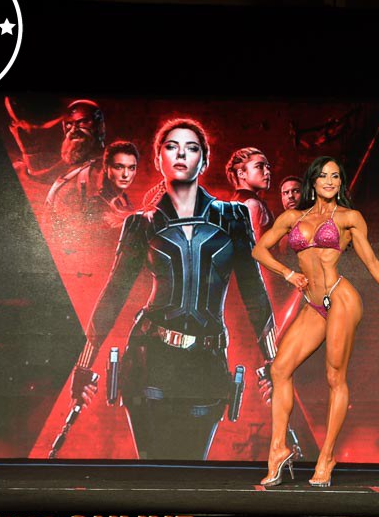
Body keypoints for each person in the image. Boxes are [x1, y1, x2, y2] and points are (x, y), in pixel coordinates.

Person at [70, 117, 278, 460]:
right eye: (172, 147)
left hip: (207, 363)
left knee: (192, 470)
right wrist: (84, 366)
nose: (181, 154)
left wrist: (276, 363)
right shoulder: (140, 223)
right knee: (153, 470)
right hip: (150, 358)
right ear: (158, 159)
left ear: (204, 160)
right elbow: (113, 294)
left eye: (191, 148)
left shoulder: (234, 218)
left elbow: (254, 292)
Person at [251, 156, 379, 487]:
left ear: (341, 182)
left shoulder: (349, 218)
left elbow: (371, 261)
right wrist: (288, 273)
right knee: (279, 369)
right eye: (323, 176)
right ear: (313, 182)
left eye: (335, 176)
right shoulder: (292, 217)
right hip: (313, 304)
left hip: (341, 299)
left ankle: (327, 456)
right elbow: (259, 250)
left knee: (334, 376)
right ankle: (278, 450)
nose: (330, 181)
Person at [7, 98, 107, 184]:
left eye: (83, 122)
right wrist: (24, 147)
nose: (73, 130)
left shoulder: (107, 162)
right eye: (69, 124)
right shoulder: (71, 160)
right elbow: (43, 176)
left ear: (100, 126)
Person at [84, 141, 139, 229]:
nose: (126, 174)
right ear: (106, 167)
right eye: (119, 167)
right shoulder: (96, 203)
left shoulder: (124, 199)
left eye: (131, 168)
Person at [225, 147, 274, 240]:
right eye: (259, 166)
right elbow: (254, 246)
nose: (268, 172)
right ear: (241, 174)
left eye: (267, 167)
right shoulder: (253, 204)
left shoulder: (235, 201)